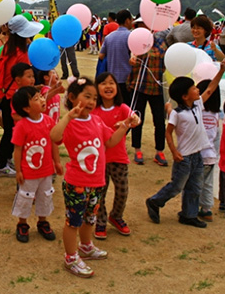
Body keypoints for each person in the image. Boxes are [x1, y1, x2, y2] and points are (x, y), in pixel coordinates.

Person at [50, 77, 139, 278]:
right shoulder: (69, 123)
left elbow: (111, 141)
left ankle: (86, 246)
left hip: (97, 182)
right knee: (73, 221)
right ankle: (71, 257)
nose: (91, 101)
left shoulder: (97, 120)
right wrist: (67, 117)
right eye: (87, 96)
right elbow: (54, 137)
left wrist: (125, 126)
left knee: (90, 217)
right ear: (72, 97)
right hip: (76, 183)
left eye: (94, 98)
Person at [145, 60, 225, 229]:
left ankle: (188, 215)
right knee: (177, 186)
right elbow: (168, 132)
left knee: (195, 186)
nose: (199, 90)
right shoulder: (177, 113)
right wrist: (174, 151)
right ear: (185, 96)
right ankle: (154, 201)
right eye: (194, 88)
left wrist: (221, 71)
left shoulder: (198, 104)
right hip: (184, 157)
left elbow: (211, 88)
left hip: (198, 154)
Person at [10, 86, 61, 243]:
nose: (42, 100)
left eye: (41, 97)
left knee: (45, 195)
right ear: (26, 108)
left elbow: (53, 143)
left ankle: (42, 221)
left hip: (46, 170)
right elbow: (18, 150)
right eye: (36, 99)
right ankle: (22, 224)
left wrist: (57, 162)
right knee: (25, 197)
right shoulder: (22, 126)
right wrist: (18, 170)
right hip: (28, 172)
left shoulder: (48, 121)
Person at [0, 16, 41, 178]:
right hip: (14, 96)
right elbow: (24, 78)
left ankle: (6, 159)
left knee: (10, 130)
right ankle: (1, 165)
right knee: (12, 132)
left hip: (5, 94)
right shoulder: (21, 53)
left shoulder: (8, 48)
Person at [92, 73, 132, 240]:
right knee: (99, 192)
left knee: (122, 191)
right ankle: (100, 221)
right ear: (96, 88)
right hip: (99, 159)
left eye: (111, 83)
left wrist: (134, 119)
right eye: (103, 83)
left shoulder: (122, 108)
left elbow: (135, 119)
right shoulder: (94, 110)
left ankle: (116, 216)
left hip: (119, 158)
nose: (108, 86)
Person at [128, 27, 167, 166]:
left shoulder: (161, 43)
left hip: (157, 89)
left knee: (160, 121)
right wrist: (133, 57)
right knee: (138, 119)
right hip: (139, 86)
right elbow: (132, 58)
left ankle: (159, 151)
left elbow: (164, 60)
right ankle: (137, 149)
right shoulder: (137, 43)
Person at [195, 79, 222, 223]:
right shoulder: (216, 115)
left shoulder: (198, 111)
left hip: (198, 155)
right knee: (208, 183)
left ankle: (191, 209)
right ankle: (206, 210)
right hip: (210, 156)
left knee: (194, 184)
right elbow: (217, 137)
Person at [98, 9, 134, 105]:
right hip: (127, 79)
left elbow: (101, 55)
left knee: (114, 106)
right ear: (127, 20)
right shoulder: (131, 36)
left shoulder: (109, 37)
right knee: (126, 106)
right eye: (131, 20)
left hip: (112, 78)